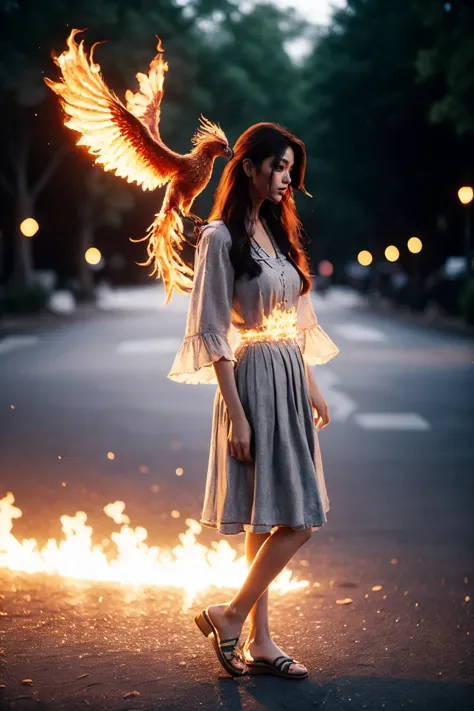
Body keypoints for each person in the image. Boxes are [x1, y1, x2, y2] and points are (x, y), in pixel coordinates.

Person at [167, 122, 339, 679]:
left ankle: (261, 640)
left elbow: (293, 320)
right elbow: (215, 333)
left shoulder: (276, 232)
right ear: (248, 167)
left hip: (288, 375)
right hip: (253, 383)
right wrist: (237, 416)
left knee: (268, 521)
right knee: (300, 518)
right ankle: (231, 613)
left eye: (291, 168)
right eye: (278, 166)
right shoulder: (220, 237)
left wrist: (312, 386)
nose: (286, 177)